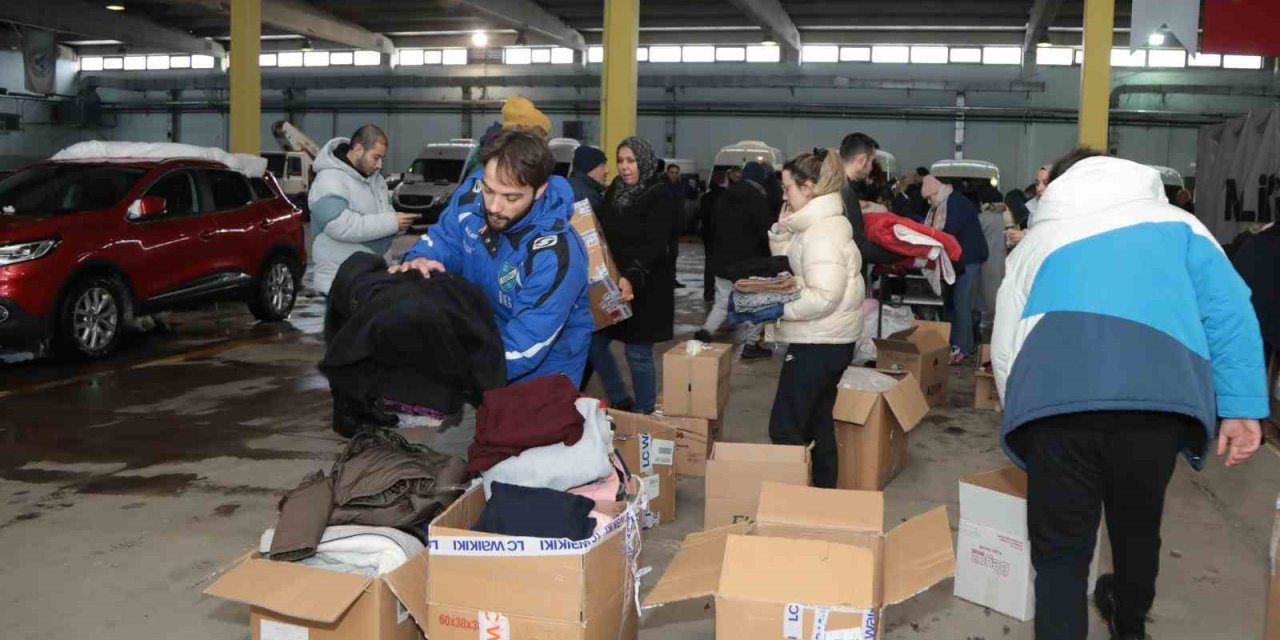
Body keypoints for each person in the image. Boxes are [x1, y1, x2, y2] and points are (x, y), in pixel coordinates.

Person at [992, 150, 1267, 640]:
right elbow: (1230, 312)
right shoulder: (1182, 226)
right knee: (1138, 528)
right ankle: (1130, 625)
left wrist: (1020, 413)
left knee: (1061, 554)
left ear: (1062, 184)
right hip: (1156, 405)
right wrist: (1241, 406)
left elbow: (1006, 339)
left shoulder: (1040, 240)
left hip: (1056, 407)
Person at [393, 128, 593, 386]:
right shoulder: (473, 194)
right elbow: (445, 238)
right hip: (483, 338)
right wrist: (420, 258)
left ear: (539, 189)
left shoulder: (556, 255)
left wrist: (445, 365)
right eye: (489, 191)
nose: (494, 207)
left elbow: (525, 347)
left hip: (540, 373)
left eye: (511, 197)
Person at [767, 149, 864, 489]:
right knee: (817, 423)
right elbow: (800, 265)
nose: (784, 196)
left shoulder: (821, 233)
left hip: (819, 341)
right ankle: (821, 498)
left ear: (808, 188)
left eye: (788, 188)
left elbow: (824, 295)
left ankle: (795, 501)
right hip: (828, 339)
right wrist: (782, 232)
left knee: (786, 426)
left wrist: (778, 308)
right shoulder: (816, 226)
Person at [588, 137, 679, 414]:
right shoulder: (616, 189)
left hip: (646, 285)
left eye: (631, 161)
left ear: (644, 161)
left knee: (638, 352)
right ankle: (618, 395)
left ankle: (644, 412)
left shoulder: (660, 193)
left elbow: (655, 242)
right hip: (614, 282)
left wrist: (632, 274)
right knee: (594, 341)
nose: (624, 167)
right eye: (620, 161)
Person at [309, 125, 416, 295]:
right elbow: (339, 225)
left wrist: (397, 226)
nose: (380, 165)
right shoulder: (328, 180)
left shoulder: (376, 180)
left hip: (369, 279)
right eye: (376, 157)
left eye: (382, 159)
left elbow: (382, 217)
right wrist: (391, 222)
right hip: (340, 283)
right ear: (358, 149)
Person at [694, 161, 774, 360]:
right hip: (748, 263)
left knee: (722, 301)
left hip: (723, 260)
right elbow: (765, 230)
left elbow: (712, 226)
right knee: (756, 304)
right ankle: (751, 345)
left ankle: (705, 332)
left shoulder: (725, 195)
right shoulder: (757, 198)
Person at [921, 174, 988, 363]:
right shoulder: (950, 201)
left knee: (962, 303)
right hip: (963, 259)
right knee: (959, 303)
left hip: (968, 259)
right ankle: (963, 343)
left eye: (930, 197)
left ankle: (963, 347)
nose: (929, 202)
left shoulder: (954, 203)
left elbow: (949, 232)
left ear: (936, 192)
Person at [838, 132, 904, 264]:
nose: (872, 168)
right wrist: (904, 254)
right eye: (872, 162)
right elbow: (858, 246)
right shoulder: (847, 193)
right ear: (862, 160)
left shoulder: (833, 185)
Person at [699, 171, 729, 301]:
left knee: (709, 263)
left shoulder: (706, 197)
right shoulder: (727, 196)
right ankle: (724, 293)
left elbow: (701, 216)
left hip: (708, 234)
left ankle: (708, 292)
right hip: (723, 234)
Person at [1006, 165, 1051, 247]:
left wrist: (1025, 236)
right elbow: (1033, 230)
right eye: (1037, 183)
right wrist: (1020, 236)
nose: (1039, 188)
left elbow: (1052, 238)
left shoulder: (1063, 212)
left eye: (1045, 183)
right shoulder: (1033, 206)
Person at [665, 163, 687, 289]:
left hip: (675, 226)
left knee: (673, 254)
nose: (674, 175)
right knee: (665, 255)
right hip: (665, 226)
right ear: (667, 173)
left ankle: (672, 279)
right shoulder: (663, 187)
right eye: (672, 173)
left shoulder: (680, 187)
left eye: (676, 173)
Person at [567, 145, 608, 211]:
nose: (607, 171)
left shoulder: (565, 185)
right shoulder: (589, 197)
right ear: (590, 168)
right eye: (603, 165)